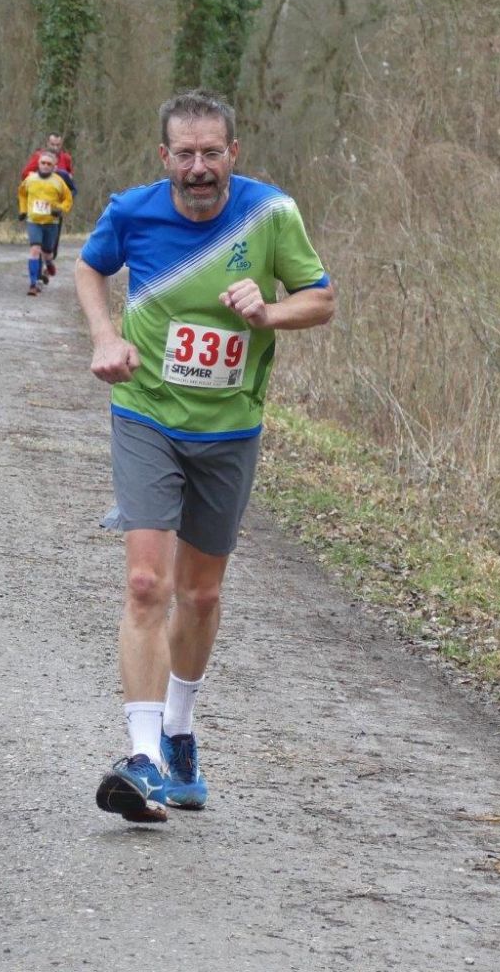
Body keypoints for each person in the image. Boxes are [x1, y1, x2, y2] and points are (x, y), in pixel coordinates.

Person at [74, 89, 336, 824]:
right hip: (147, 412)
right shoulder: (132, 212)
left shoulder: (270, 214)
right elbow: (90, 269)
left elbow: (321, 299)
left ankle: (179, 733)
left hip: (229, 427)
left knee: (200, 594)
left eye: (211, 153)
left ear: (233, 154)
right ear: (164, 157)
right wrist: (105, 336)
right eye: (184, 154)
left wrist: (269, 312)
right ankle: (143, 759)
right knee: (145, 583)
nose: (198, 168)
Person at [21, 132, 76, 283]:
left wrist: (64, 205)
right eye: (52, 144)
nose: (55, 147)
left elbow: (71, 185)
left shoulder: (66, 159)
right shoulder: (39, 156)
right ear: (47, 143)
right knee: (36, 246)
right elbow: (25, 174)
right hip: (37, 208)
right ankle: (37, 276)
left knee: (51, 247)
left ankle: (47, 266)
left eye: (58, 145)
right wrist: (37, 179)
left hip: (55, 210)